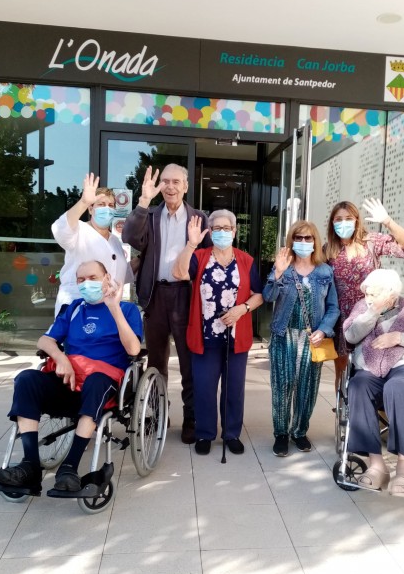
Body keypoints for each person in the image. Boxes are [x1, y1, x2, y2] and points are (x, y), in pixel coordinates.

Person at [0, 260, 143, 495]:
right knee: (26, 379)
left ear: (106, 278)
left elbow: (133, 349)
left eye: (92, 278)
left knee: (96, 381)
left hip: (103, 385)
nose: (86, 284)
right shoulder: (73, 309)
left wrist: (113, 307)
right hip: (69, 381)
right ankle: (31, 466)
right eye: (81, 280)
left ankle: (69, 467)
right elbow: (44, 340)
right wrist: (60, 358)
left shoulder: (127, 310)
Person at [122, 164, 211, 444]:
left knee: (189, 362)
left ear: (186, 186)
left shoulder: (199, 218)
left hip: (185, 296)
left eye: (176, 181)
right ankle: (159, 413)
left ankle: (191, 418)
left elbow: (207, 260)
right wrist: (143, 202)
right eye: (166, 181)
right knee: (156, 362)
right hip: (155, 296)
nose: (170, 187)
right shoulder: (149, 214)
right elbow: (130, 238)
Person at [343, 269, 404, 497]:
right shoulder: (362, 308)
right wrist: (373, 312)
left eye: (374, 294)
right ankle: (377, 465)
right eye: (367, 293)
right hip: (371, 370)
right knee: (358, 385)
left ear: (391, 293)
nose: (368, 298)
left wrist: (400, 338)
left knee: (396, 387)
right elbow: (350, 336)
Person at [173, 210, 263, 455]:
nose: (222, 232)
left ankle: (231, 433)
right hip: (205, 336)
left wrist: (242, 309)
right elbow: (179, 273)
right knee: (204, 387)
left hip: (236, 336)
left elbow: (258, 294)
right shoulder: (199, 256)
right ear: (210, 232)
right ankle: (205, 433)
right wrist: (191, 244)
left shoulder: (246, 260)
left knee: (234, 389)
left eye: (226, 228)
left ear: (234, 232)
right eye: (217, 228)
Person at [263, 220, 340, 457]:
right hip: (283, 334)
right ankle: (281, 434)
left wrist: (324, 330)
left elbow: (333, 307)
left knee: (308, 387)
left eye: (308, 238)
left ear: (315, 241)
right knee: (282, 385)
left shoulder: (325, 271)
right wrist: (277, 272)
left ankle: (299, 431)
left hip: (312, 338)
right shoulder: (283, 267)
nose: (303, 242)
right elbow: (268, 296)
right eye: (298, 238)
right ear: (291, 241)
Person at [323, 198, 404, 390]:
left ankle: (371, 406)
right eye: (338, 219)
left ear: (356, 220)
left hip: (370, 316)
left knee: (370, 368)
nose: (343, 223)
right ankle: (344, 406)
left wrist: (387, 221)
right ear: (332, 223)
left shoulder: (370, 242)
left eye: (348, 218)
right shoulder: (328, 250)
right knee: (342, 370)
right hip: (342, 321)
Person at [52, 173, 131, 317]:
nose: (107, 209)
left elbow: (122, 274)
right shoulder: (79, 230)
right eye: (101, 204)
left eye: (111, 205)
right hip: (76, 307)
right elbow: (60, 230)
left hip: (107, 311)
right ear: (90, 209)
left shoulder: (115, 241)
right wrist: (83, 202)